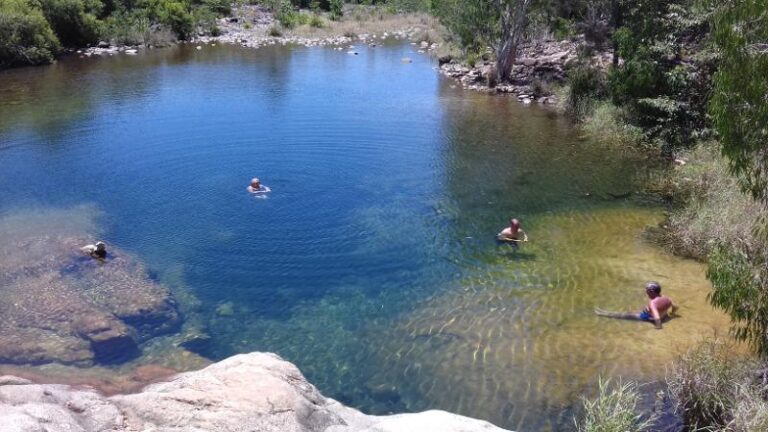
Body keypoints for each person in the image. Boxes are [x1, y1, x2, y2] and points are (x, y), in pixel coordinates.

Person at [595, 281, 678, 329]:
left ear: (652, 292)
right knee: (635, 311)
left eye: (647, 291)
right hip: (663, 316)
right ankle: (603, 312)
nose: (646, 293)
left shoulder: (653, 303)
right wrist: (672, 314)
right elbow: (676, 306)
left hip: (648, 317)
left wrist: (658, 326)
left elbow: (656, 317)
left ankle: (603, 313)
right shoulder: (666, 298)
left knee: (625, 315)